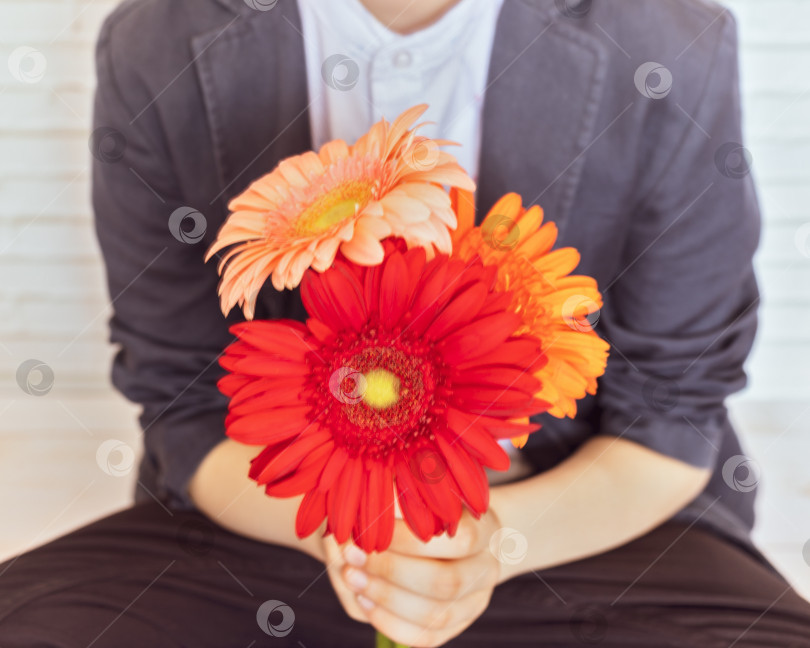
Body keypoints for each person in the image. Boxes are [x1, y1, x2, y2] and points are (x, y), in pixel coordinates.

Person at [1, 0, 809, 646]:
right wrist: (358, 549)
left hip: (579, 523)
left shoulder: (672, 41)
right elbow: (183, 399)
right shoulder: (155, 42)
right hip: (278, 526)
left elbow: (674, 409)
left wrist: (489, 545)